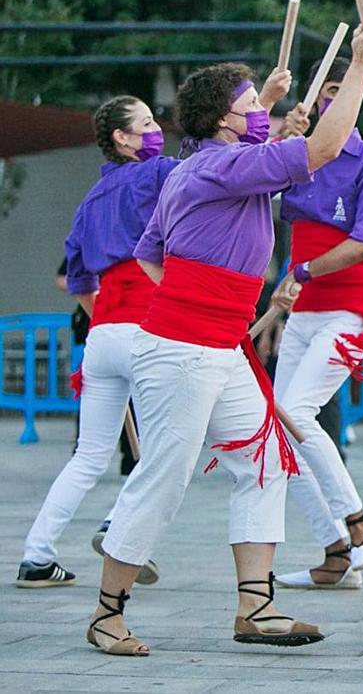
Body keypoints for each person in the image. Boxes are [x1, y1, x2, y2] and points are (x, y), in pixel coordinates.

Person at [88, 26, 363, 657]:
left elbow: (149, 258)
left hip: (216, 344)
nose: (263, 117)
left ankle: (257, 605)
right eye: (250, 108)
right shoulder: (221, 167)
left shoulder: (205, 168)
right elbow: (323, 146)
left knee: (266, 460)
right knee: (164, 477)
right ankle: (106, 613)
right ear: (223, 120)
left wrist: (211, 299)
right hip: (183, 346)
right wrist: (359, 66)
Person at [18, 96, 177, 589]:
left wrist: (111, 321)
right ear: (122, 138)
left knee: (89, 456)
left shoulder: (91, 199)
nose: (156, 130)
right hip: (148, 329)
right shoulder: (158, 174)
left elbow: (80, 282)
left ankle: (37, 556)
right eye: (146, 124)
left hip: (103, 333)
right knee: (167, 449)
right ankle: (117, 525)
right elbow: (218, 170)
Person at [267, 58, 363, 591]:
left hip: (351, 307)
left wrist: (301, 270)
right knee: (276, 431)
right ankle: (334, 549)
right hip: (301, 309)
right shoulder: (298, 155)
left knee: (296, 412)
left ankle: (362, 527)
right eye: (326, 92)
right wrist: (275, 138)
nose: (332, 101)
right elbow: (248, 192)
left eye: (343, 90)